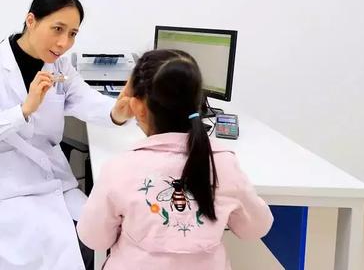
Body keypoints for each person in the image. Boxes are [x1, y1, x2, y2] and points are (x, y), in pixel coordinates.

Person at [0, 0, 134, 269]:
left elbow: (86, 99)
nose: (64, 43)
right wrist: (23, 111)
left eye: (72, 34)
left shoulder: (59, 67)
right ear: (31, 21)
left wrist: (116, 112)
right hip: (4, 188)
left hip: (52, 181)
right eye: (57, 29)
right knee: (65, 252)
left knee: (105, 236)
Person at [77, 49, 273, 270]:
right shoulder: (224, 163)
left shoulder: (119, 168)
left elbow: (94, 238)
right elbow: (256, 228)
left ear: (138, 107)